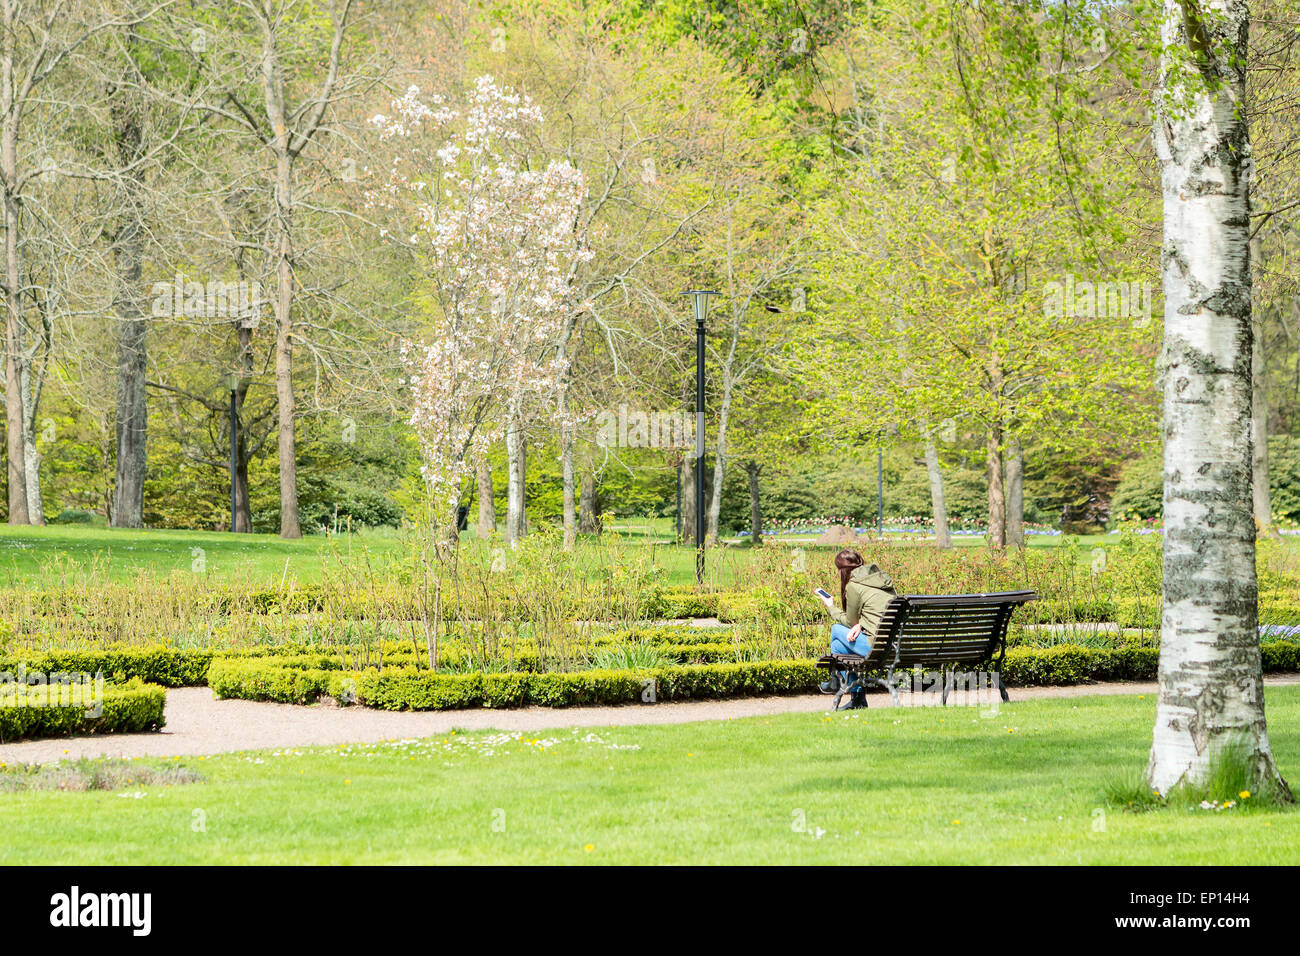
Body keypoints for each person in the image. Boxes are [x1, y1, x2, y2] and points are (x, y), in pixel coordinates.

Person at [815, 548, 896, 695]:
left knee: (836, 630)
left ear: (843, 570)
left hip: (876, 649)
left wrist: (831, 606)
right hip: (895, 647)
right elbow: (878, 612)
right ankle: (843, 687)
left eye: (838, 570)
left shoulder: (854, 586)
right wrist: (861, 624)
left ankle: (847, 688)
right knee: (838, 646)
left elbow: (849, 622)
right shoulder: (881, 580)